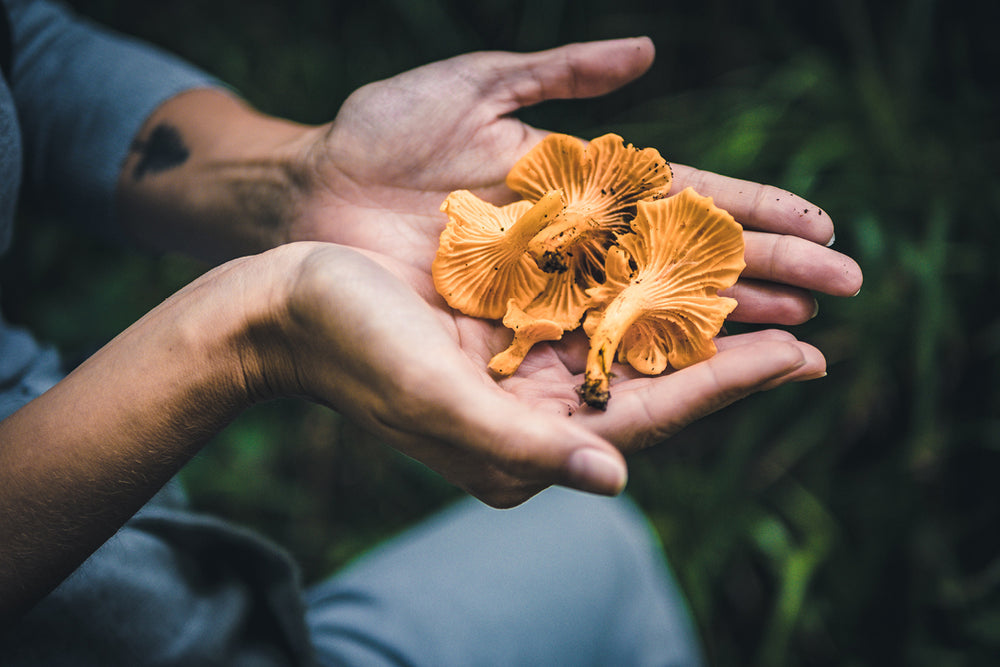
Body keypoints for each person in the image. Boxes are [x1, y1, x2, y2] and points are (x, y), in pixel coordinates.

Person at [0, 0, 863, 664]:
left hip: (189, 598)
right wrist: (253, 331)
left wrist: (292, 180)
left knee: (603, 541)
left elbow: (27, 53)